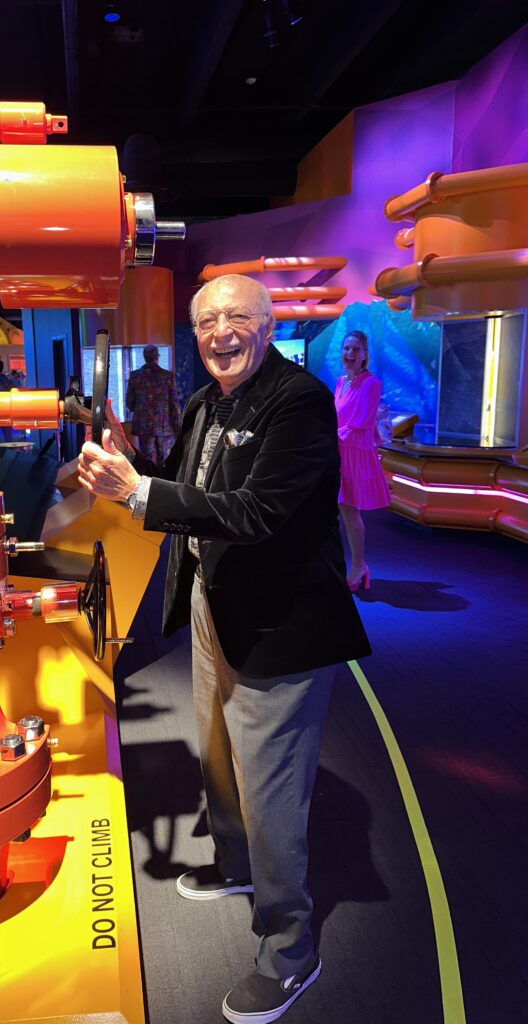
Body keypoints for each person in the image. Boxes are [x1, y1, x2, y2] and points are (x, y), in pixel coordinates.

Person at [78, 274, 370, 1023]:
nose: (220, 332)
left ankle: (290, 948)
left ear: (267, 324)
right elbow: (182, 486)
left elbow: (258, 511)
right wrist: (132, 473)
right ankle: (238, 868)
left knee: (268, 786)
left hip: (282, 624)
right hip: (217, 602)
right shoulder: (207, 401)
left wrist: (139, 493)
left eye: (237, 316)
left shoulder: (298, 402)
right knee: (214, 750)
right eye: (207, 320)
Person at [334, 331, 391, 592]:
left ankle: (359, 566)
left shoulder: (371, 384)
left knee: (349, 510)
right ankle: (353, 564)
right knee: (342, 512)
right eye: (347, 348)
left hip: (355, 453)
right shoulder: (340, 382)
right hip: (338, 451)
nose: (350, 354)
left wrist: (329, 437)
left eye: (356, 349)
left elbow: (361, 423)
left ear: (365, 354)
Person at [124, 343, 181, 466]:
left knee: (146, 459)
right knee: (166, 460)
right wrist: (177, 425)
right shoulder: (167, 376)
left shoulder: (135, 376)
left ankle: (149, 483)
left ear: (144, 357)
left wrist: (141, 411)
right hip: (164, 425)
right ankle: (165, 483)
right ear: (157, 357)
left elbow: (129, 402)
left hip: (144, 426)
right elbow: (174, 403)